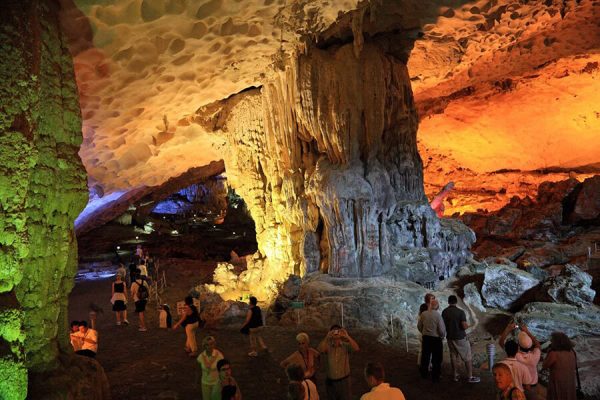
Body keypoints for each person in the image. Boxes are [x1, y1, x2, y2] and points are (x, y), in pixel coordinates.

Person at [441, 295, 480, 383]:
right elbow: (464, 326)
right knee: (467, 356)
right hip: (460, 337)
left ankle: (455, 375)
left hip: (450, 337)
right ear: (456, 302)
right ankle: (470, 377)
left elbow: (443, 325)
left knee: (453, 356)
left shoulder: (444, 312)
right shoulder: (460, 312)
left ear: (448, 302)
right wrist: (471, 325)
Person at [500, 322, 541, 400]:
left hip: (518, 387)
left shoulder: (516, 355)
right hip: (532, 386)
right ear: (531, 345)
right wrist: (527, 331)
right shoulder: (535, 356)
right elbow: (538, 345)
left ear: (518, 346)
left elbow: (501, 343)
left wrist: (508, 329)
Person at [318, 325, 359, 400]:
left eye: (338, 331)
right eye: (333, 331)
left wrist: (347, 336)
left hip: (344, 381)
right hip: (330, 382)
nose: (336, 333)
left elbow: (356, 348)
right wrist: (327, 337)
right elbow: (320, 350)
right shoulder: (327, 346)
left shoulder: (345, 346)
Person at [542, 331, 577, 400]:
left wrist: (549, 351)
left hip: (557, 383)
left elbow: (545, 365)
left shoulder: (554, 354)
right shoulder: (572, 352)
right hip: (570, 381)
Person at [417, 298, 446, 382]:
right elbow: (441, 329)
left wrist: (423, 332)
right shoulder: (438, 315)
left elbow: (419, 326)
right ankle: (435, 375)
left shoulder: (424, 314)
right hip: (436, 338)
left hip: (426, 338)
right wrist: (442, 336)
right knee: (436, 358)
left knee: (425, 356)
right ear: (437, 307)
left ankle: (424, 374)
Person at [197, 336, 224, 400]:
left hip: (216, 383)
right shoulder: (200, 357)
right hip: (205, 383)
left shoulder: (220, 356)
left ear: (214, 344)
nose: (210, 346)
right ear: (204, 346)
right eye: (207, 345)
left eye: (211, 344)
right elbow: (199, 370)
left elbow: (222, 371)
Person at [417, 293, 435, 367]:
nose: (434, 300)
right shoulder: (426, 308)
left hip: (424, 332)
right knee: (428, 350)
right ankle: (426, 365)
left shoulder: (424, 307)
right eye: (432, 299)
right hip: (426, 332)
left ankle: (421, 363)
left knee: (423, 349)